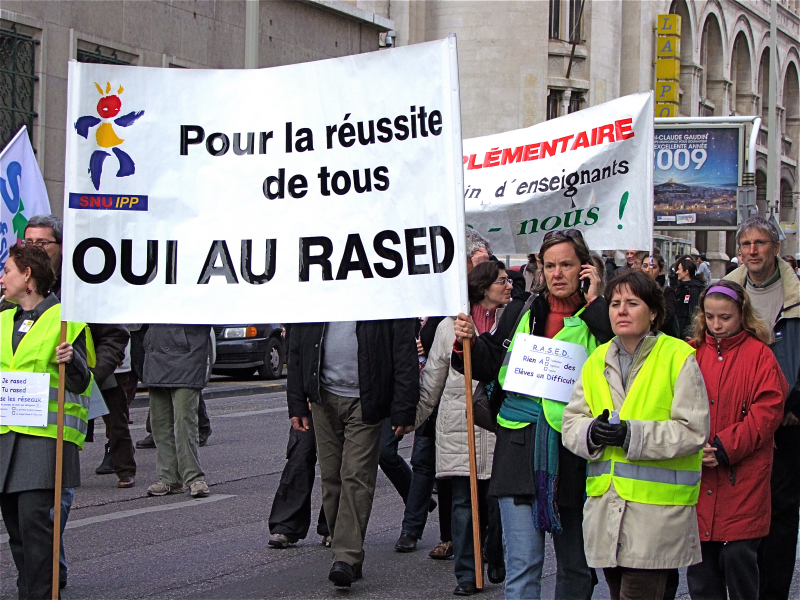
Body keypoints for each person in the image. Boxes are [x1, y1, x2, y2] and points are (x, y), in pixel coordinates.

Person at [454, 229, 612, 600]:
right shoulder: (522, 311)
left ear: (584, 269)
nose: (557, 273)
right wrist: (470, 343)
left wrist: (595, 304)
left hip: (576, 455)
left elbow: (622, 356)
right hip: (519, 449)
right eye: (550, 265)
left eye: (567, 265)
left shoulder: (599, 315)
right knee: (522, 567)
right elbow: (491, 362)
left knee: (576, 569)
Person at [562, 269, 710, 600]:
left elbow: (693, 430)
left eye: (632, 303)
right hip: (607, 509)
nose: (621, 311)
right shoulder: (597, 359)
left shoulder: (677, 356)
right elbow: (571, 423)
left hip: (656, 515)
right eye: (615, 304)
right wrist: (592, 433)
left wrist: (632, 435)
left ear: (653, 312)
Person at [286, 318, 418, 587]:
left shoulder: (384, 289)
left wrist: (404, 406)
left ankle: (345, 556)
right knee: (332, 479)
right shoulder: (317, 287)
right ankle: (346, 552)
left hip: (366, 399)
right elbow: (297, 345)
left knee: (356, 476)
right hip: (323, 397)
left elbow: (404, 349)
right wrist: (297, 401)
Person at [0, 243, 95, 598]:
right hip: (6, 439)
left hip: (43, 443)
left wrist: (72, 360)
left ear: (27, 276)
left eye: (7, 270)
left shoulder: (65, 319)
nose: (2, 278)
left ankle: (39, 594)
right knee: (17, 532)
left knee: (36, 528)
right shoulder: (2, 318)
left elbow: (82, 382)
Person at [686, 280, 788, 600]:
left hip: (742, 476)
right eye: (711, 317)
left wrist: (725, 447)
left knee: (739, 562)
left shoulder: (760, 355)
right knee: (702, 572)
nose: (717, 325)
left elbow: (768, 411)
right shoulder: (691, 352)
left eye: (725, 318)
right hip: (700, 476)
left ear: (742, 315)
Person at [416, 261, 510, 595]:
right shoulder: (449, 328)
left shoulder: (513, 322)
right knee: (462, 505)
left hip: (501, 427)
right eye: (502, 281)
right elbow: (432, 382)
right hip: (460, 426)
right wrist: (409, 419)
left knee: (501, 504)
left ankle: (496, 555)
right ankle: (467, 574)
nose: (509, 285)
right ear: (483, 287)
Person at [23, 215, 133, 490]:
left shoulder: (84, 281)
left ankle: (124, 467)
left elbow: (114, 334)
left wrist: (94, 374)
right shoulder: (19, 286)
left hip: (87, 364)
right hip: (41, 377)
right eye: (29, 241)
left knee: (114, 417)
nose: (35, 248)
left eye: (42, 242)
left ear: (61, 246)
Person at [724, 216, 800, 600]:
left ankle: (773, 593)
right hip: (737, 424)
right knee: (741, 517)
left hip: (787, 424)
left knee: (781, 515)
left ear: (776, 248)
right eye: (746, 245)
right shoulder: (725, 292)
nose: (752, 251)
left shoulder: (796, 294)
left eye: (760, 243)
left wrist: (794, 406)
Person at [133, 324, 213, 498]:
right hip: (157, 350)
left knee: (185, 420)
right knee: (160, 423)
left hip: (187, 351)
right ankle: (169, 478)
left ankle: (193, 477)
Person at [674, 255, 706, 339]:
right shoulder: (679, 288)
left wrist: (691, 333)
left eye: (679, 269)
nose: (677, 272)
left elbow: (694, 313)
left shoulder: (695, 289)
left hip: (687, 334)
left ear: (686, 272)